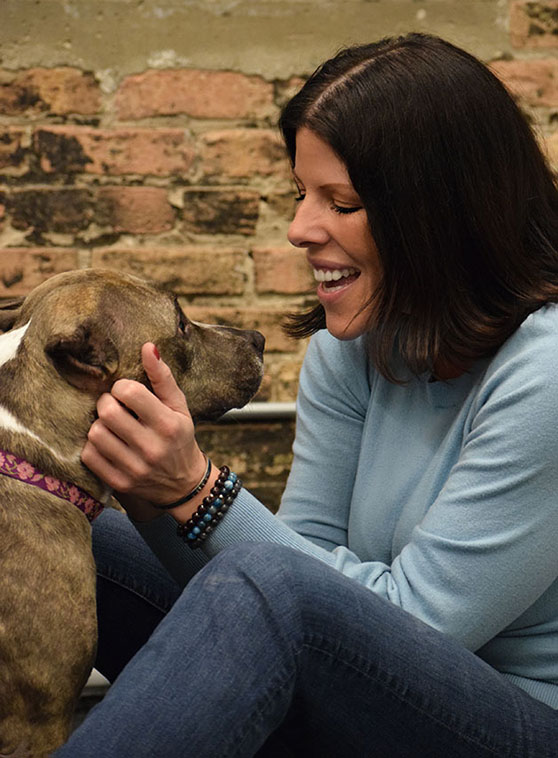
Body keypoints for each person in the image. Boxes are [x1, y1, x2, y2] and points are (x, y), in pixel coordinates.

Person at [56, 33, 558, 756]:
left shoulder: (544, 370)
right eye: (300, 194)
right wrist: (150, 491)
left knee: (273, 587)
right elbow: (301, 559)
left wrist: (199, 492)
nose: (298, 229)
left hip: (516, 725)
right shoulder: (350, 351)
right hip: (368, 702)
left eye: (340, 201)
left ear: (439, 212)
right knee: (73, 524)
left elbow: (414, 619)